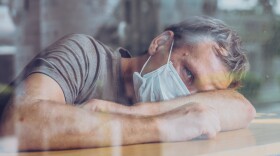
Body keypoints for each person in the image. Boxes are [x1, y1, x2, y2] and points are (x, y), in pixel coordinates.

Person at [0, 16, 255, 151]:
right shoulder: (84, 55)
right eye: (188, 74)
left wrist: (133, 113)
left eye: (202, 94)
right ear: (160, 44)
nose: (186, 97)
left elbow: (244, 109)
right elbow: (20, 124)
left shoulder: (145, 105)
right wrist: (162, 126)